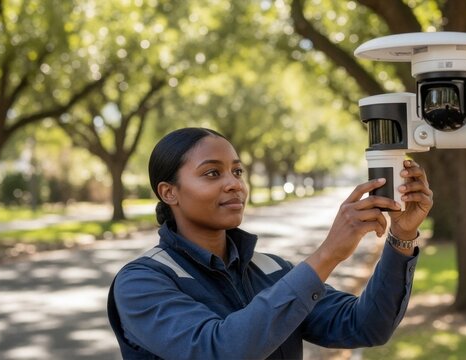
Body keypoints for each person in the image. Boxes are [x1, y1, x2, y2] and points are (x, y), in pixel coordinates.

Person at [107, 127, 433, 359]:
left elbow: (365, 327)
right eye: (212, 173)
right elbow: (219, 350)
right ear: (169, 192)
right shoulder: (141, 282)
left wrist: (401, 237)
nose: (234, 184)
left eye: (238, 171)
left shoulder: (271, 269)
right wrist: (328, 254)